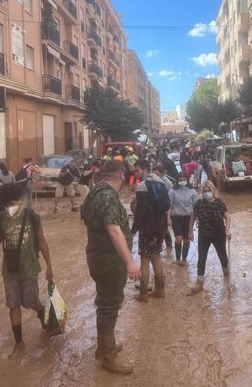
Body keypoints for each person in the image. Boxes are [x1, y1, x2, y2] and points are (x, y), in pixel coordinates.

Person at [0, 184, 53, 356]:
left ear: (20, 201)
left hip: (30, 267)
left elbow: (42, 241)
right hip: (10, 269)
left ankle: (41, 312)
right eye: (8, 205)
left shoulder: (32, 216)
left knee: (31, 302)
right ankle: (19, 343)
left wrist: (49, 267)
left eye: (13, 203)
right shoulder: (1, 219)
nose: (11, 207)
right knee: (13, 305)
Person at [81, 160, 141, 374]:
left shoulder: (95, 191)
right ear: (122, 176)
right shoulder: (107, 196)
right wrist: (130, 261)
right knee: (110, 306)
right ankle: (107, 355)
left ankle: (105, 345)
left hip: (99, 256)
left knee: (105, 303)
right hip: (109, 260)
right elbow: (113, 229)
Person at [131, 161, 170, 302]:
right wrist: (165, 227)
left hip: (147, 228)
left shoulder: (142, 186)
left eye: (137, 171)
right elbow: (165, 207)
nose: (136, 174)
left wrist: (133, 230)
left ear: (145, 169)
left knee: (145, 259)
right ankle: (160, 290)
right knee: (156, 257)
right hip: (160, 227)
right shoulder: (161, 182)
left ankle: (143, 294)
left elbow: (140, 212)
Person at [188, 181, 231, 295]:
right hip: (204, 234)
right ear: (202, 192)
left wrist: (227, 230)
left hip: (219, 234)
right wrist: (190, 231)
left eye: (209, 191)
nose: (207, 193)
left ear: (213, 191)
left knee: (222, 255)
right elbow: (193, 216)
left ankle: (227, 276)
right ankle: (199, 283)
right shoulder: (199, 203)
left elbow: (227, 216)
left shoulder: (219, 203)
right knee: (201, 257)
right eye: (205, 191)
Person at [168, 176, 198, 266]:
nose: (182, 182)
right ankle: (177, 259)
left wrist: (197, 219)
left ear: (187, 180)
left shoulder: (192, 191)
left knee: (186, 239)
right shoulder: (172, 191)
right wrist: (168, 218)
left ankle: (184, 259)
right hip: (176, 217)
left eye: (184, 180)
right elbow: (169, 205)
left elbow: (196, 206)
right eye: (180, 180)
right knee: (178, 239)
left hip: (189, 217)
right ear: (177, 181)